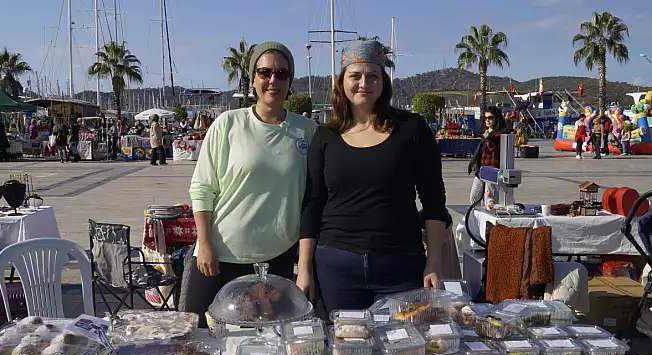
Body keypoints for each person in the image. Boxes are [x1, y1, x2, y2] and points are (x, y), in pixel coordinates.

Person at [298, 41, 448, 312]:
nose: (363, 83)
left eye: (372, 76)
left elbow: (434, 200)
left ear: (383, 81)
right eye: (355, 76)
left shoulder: (412, 129)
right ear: (342, 81)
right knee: (345, 349)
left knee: (403, 348)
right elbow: (312, 204)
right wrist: (304, 270)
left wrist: (434, 262)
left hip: (401, 265)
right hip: (337, 267)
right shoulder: (325, 137)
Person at [183, 42, 317, 327]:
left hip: (277, 259)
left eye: (281, 73)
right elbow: (203, 188)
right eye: (265, 72)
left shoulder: (308, 131)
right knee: (197, 334)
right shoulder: (227, 124)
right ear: (254, 78)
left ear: (290, 80)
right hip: (220, 254)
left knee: (268, 345)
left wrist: (304, 266)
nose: (273, 80)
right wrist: (205, 243)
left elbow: (312, 201)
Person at [468, 106, 507, 205]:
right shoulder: (486, 133)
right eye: (485, 118)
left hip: (492, 170)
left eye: (490, 118)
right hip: (482, 169)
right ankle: (476, 217)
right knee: (474, 196)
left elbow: (492, 150)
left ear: (496, 119)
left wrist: (488, 138)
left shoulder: (500, 134)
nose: (487, 120)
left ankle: (487, 218)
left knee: (489, 199)